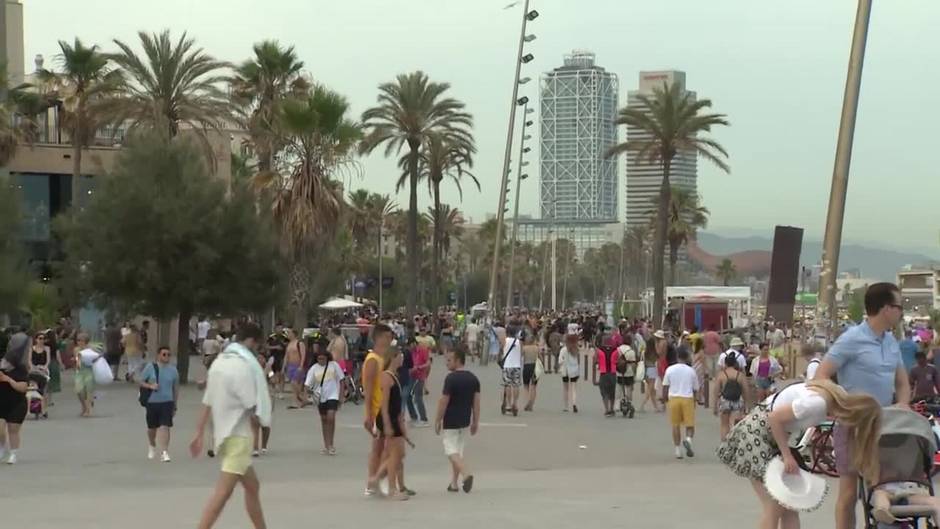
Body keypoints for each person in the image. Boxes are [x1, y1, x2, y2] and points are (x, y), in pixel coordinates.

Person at [717, 380, 881, 529]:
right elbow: (774, 418)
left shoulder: (838, 396)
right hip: (756, 435)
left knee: (789, 504)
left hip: (768, 436)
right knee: (773, 506)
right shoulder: (817, 404)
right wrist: (787, 455)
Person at [813, 282, 910, 529]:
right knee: (849, 494)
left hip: (885, 425)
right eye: (899, 306)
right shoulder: (852, 339)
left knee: (882, 489)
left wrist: (903, 404)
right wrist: (842, 404)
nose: (901, 312)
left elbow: (902, 382)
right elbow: (820, 376)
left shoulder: (892, 342)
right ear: (886, 309)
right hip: (853, 426)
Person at [190, 322, 271, 529]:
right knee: (223, 493)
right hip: (238, 437)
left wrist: (199, 432)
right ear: (251, 342)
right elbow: (252, 405)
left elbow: (208, 400)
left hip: (223, 435)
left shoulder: (219, 363)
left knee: (253, 486)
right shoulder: (243, 367)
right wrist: (264, 414)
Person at [369, 346, 411, 501]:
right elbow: (384, 404)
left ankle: (375, 479)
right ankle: (392, 489)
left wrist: (403, 428)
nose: (402, 358)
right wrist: (386, 424)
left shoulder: (395, 376)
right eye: (400, 355)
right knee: (395, 455)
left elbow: (397, 405)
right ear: (393, 357)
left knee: (394, 454)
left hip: (394, 418)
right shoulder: (386, 377)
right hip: (388, 418)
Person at [435, 347, 480, 493]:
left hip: (451, 420)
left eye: (449, 360)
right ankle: (454, 483)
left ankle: (466, 474)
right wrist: (475, 421)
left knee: (450, 450)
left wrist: (438, 419)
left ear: (458, 360)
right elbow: (476, 403)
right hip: (465, 420)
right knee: (458, 451)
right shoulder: (473, 379)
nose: (447, 363)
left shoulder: (451, 379)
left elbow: (444, 401)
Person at [362, 323, 394, 496]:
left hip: (386, 409)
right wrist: (368, 414)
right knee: (379, 449)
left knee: (385, 448)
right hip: (377, 410)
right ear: (379, 337)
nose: (390, 341)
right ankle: (371, 483)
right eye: (388, 337)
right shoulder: (373, 360)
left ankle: (381, 482)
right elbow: (368, 389)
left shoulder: (384, 358)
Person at [139, 346, 179, 462]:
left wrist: (175, 405)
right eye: (164, 354)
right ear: (158, 355)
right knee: (152, 428)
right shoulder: (150, 367)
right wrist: (150, 386)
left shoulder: (173, 370)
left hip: (167, 402)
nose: (166, 357)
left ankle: (164, 452)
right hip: (152, 402)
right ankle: (152, 444)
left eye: (168, 355)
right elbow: (141, 381)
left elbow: (175, 388)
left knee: (165, 426)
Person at [304, 348, 345, 455]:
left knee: (331, 417)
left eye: (323, 359)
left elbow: (341, 380)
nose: (321, 361)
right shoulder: (313, 369)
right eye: (319, 359)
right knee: (324, 419)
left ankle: (331, 444)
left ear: (327, 358)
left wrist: (341, 396)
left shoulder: (334, 365)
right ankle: (326, 445)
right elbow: (307, 384)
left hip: (333, 395)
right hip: (320, 397)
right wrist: (307, 394)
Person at [662, 348, 699, 459]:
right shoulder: (691, 371)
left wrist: (665, 399)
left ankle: (677, 450)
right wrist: (695, 401)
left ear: (677, 357)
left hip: (674, 398)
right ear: (687, 357)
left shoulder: (670, 369)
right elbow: (695, 388)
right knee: (690, 424)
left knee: (675, 425)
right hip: (687, 398)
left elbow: (665, 386)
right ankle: (688, 440)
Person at [0, 333, 30, 464]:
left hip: (17, 402)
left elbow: (23, 388)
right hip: (2, 400)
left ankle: (13, 453)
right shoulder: (2, 364)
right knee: (0, 428)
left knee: (13, 429)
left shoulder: (21, 369)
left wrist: (8, 380)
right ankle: (1, 448)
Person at [714, 354, 749, 441]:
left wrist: (715, 406)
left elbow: (716, 391)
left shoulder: (721, 375)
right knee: (736, 424)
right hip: (737, 401)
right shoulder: (740, 375)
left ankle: (724, 445)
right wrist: (746, 405)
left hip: (725, 401)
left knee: (724, 424)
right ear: (735, 363)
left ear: (725, 364)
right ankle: (734, 443)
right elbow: (746, 391)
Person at [500, 324, 523, 416]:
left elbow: (502, 349)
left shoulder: (504, 340)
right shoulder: (519, 342)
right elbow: (521, 353)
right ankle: (515, 403)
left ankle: (508, 404)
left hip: (507, 365)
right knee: (516, 385)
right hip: (517, 365)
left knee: (508, 385)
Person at [74, 333, 98, 418]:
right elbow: (76, 359)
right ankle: (84, 406)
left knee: (89, 390)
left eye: (81, 340)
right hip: (79, 372)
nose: (79, 342)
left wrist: (94, 360)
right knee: (79, 391)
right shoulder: (76, 349)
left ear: (86, 341)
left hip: (89, 370)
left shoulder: (91, 349)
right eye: (78, 340)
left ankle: (88, 410)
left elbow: (97, 357)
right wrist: (77, 361)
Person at [28, 331, 50, 418]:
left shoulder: (47, 348)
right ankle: (31, 408)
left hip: (43, 369)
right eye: (40, 338)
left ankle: (44, 409)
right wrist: (33, 367)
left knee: (44, 390)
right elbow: (29, 360)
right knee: (33, 388)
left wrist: (44, 367)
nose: (42, 340)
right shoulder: (32, 349)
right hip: (33, 369)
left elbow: (48, 360)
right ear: (36, 339)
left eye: (43, 339)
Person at [283, 328, 307, 409]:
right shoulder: (289, 344)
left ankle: (301, 397)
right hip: (290, 366)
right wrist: (284, 366)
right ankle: (296, 402)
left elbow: (303, 355)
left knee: (294, 382)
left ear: (294, 334)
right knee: (293, 385)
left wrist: (301, 365)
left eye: (290, 333)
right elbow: (286, 356)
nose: (288, 334)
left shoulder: (299, 343)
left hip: (298, 365)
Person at [596, 335, 620, 417]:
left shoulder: (599, 351)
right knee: (612, 392)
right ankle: (612, 408)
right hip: (612, 373)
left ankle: (606, 409)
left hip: (603, 373)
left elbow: (596, 360)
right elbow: (618, 361)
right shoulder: (616, 351)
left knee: (604, 392)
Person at [557, 331, 581, 413]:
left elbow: (560, 361)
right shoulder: (576, 349)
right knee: (574, 388)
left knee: (565, 389)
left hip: (565, 371)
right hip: (574, 371)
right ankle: (574, 403)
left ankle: (566, 406)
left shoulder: (563, 350)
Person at [410, 337, 431, 427]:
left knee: (418, 397)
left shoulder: (422, 351)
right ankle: (415, 416)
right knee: (410, 396)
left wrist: (419, 367)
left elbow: (428, 363)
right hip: (412, 376)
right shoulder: (411, 352)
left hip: (420, 376)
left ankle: (424, 418)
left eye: (411, 345)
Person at [521, 333, 540, 412]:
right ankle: (531, 404)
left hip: (526, 366)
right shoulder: (536, 348)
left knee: (526, 386)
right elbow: (540, 357)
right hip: (535, 367)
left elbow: (521, 356)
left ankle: (527, 401)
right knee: (534, 386)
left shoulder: (524, 348)